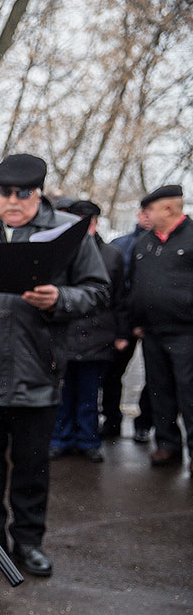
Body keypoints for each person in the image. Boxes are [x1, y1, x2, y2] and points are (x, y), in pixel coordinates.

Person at [0, 154, 109, 577]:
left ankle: (29, 542)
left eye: (22, 193)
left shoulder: (66, 230)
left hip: (37, 370)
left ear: (39, 193)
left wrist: (60, 299)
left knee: (32, 466)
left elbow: (99, 291)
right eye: (5, 192)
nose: (13, 200)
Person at [49, 201, 127, 463]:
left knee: (89, 395)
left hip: (97, 337)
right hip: (65, 334)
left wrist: (121, 333)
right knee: (63, 393)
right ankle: (61, 438)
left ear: (94, 223)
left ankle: (88, 439)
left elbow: (119, 298)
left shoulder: (112, 255)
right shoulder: (60, 251)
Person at [128, 185, 193, 471]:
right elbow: (135, 284)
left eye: (149, 210)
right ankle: (167, 444)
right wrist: (135, 321)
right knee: (159, 390)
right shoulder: (144, 243)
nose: (144, 215)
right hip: (152, 332)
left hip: (186, 332)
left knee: (189, 392)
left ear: (168, 209)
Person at [101, 203, 154, 442]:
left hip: (154, 322)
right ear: (139, 214)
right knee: (113, 374)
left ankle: (145, 424)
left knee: (156, 378)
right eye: (145, 212)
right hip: (125, 321)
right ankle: (111, 420)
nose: (148, 217)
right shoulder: (120, 245)